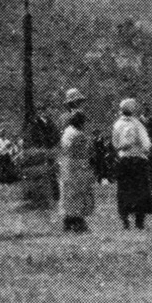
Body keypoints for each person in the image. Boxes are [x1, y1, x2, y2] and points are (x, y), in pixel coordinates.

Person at [111, 98, 152, 229]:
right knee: (140, 190)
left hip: (124, 160)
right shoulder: (137, 124)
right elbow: (146, 144)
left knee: (124, 190)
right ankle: (139, 221)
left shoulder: (117, 125)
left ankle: (125, 220)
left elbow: (115, 143)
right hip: (138, 159)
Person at [56, 89, 95, 233]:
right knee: (75, 191)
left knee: (70, 191)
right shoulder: (68, 119)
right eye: (78, 102)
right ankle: (76, 221)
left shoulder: (67, 119)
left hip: (68, 158)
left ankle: (70, 220)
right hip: (74, 159)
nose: (80, 104)